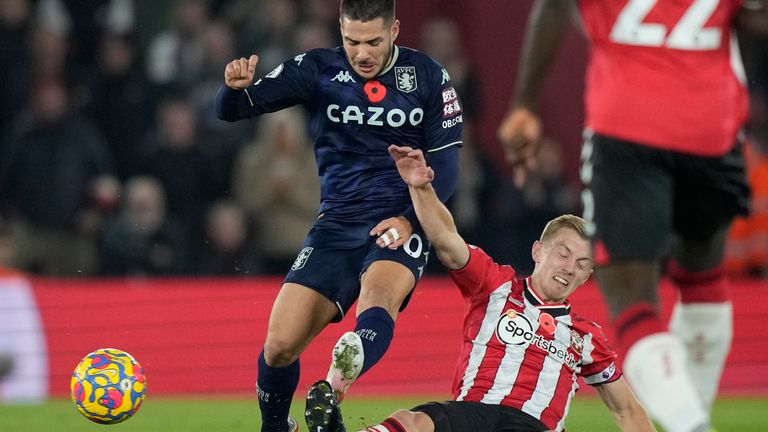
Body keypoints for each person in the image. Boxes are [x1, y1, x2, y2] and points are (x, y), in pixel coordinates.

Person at [496, 1, 768, 431]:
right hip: (710, 128)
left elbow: (553, 7)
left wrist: (525, 103)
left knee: (631, 295)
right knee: (703, 276)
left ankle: (689, 423)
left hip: (626, 125)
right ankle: (692, 418)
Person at [214, 1, 464, 431]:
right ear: (340, 32)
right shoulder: (318, 69)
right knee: (278, 346)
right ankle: (276, 427)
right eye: (352, 41)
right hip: (335, 225)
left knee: (378, 298)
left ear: (395, 31)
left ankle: (331, 388)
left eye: (372, 41)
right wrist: (234, 89)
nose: (362, 53)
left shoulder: (428, 77)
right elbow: (233, 110)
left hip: (400, 222)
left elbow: (449, 168)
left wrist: (411, 220)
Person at [304, 145, 656, 432]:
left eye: (582, 265)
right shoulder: (495, 284)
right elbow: (446, 239)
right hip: (472, 414)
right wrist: (419, 187)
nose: (569, 268)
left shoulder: (587, 337)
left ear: (587, 277)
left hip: (532, 426)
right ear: (538, 251)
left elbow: (628, 411)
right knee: (412, 422)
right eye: (563, 254)